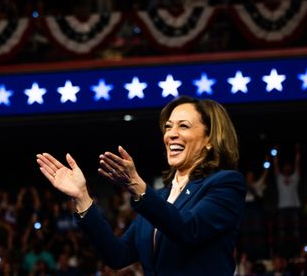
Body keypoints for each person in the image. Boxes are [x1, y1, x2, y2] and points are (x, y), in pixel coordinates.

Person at [37, 96, 246, 275]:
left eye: (183, 126)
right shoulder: (160, 197)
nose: (171, 134)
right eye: (168, 126)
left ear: (209, 139)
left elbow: (188, 230)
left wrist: (137, 185)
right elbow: (118, 255)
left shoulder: (226, 184)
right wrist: (82, 197)